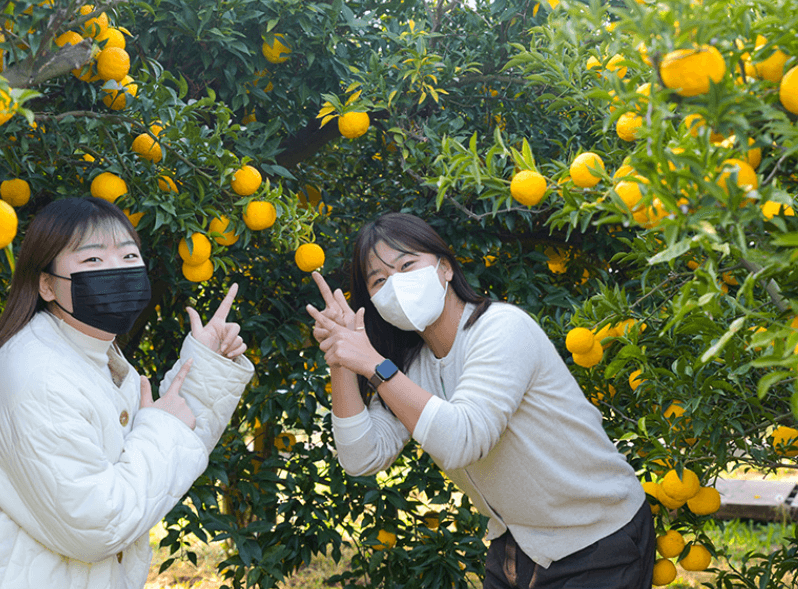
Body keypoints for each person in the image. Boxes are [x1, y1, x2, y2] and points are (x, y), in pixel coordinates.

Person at [306, 212, 655, 588]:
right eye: (379, 280)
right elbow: (361, 457)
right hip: (519, 543)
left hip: (597, 539)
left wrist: (372, 363)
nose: (397, 284)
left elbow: (463, 439)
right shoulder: (411, 368)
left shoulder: (501, 329)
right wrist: (341, 357)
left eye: (407, 265)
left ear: (445, 268)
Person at [0, 197, 254, 589]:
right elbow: (99, 525)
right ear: (47, 284)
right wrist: (165, 425)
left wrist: (207, 365)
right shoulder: (40, 377)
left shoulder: (96, 357)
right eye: (93, 259)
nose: (117, 270)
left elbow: (152, 470)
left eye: (129, 255)